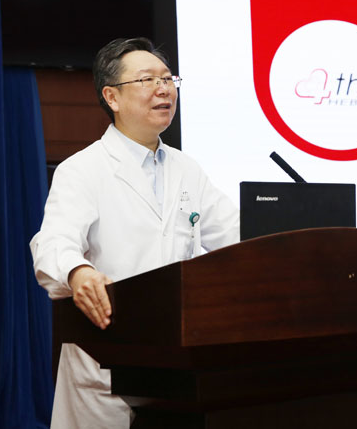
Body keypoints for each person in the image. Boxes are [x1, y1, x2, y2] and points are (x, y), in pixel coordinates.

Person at [30, 38, 239, 428]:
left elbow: (236, 236)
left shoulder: (187, 168)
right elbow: (54, 242)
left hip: (175, 362)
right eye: (147, 80)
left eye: (168, 79)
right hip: (106, 364)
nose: (163, 89)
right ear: (112, 96)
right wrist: (79, 272)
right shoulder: (82, 169)